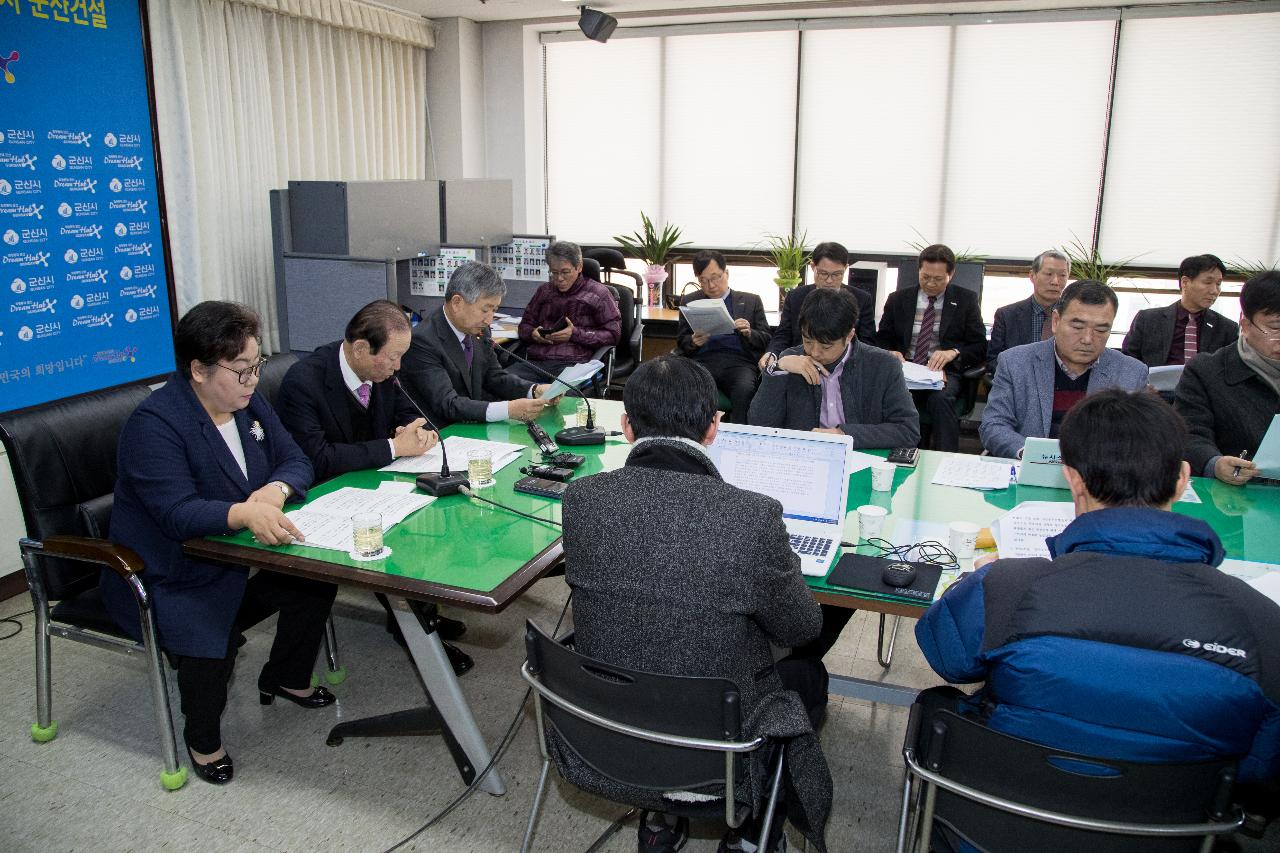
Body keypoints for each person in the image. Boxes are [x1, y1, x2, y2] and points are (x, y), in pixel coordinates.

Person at [916, 390, 1280, 851]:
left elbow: (943, 655)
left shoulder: (1008, 586)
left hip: (993, 828)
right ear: (1184, 478)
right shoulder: (1260, 621)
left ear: (1072, 479)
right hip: (1171, 835)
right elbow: (1258, 763)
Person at [561, 355, 831, 853]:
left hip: (609, 728)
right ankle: (750, 831)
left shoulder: (580, 499)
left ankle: (662, 818)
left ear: (625, 427)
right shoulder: (753, 516)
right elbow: (800, 628)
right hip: (718, 738)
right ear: (713, 428)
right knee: (807, 674)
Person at [102, 301, 337, 785]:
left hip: (236, 556)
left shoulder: (248, 403)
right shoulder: (156, 425)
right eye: (242, 370)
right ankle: (203, 738)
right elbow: (176, 512)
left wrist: (274, 491)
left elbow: (296, 460)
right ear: (198, 370)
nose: (254, 380)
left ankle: (286, 676)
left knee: (314, 583)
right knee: (214, 632)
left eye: (257, 367)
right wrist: (244, 512)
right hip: (168, 574)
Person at [275, 300, 472, 675]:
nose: (399, 367)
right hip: (323, 497)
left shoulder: (382, 374)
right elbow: (317, 459)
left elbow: (405, 411)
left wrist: (416, 428)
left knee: (425, 522)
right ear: (361, 348)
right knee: (397, 542)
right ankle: (415, 630)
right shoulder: (305, 381)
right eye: (394, 357)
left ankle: (419, 619)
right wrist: (394, 447)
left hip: (372, 484)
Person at [980, 279, 1148, 459]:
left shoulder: (1132, 372)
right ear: (1056, 321)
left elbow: (1139, 439)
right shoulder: (1015, 362)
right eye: (1077, 326)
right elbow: (994, 424)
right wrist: (1030, 456)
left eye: (1100, 329)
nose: (1087, 339)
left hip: (1097, 476)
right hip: (1027, 468)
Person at [749, 287, 920, 448]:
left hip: (859, 457)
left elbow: (908, 430)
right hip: (805, 459)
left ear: (849, 336)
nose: (815, 352)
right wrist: (779, 368)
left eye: (826, 346)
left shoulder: (883, 365)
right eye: (807, 341)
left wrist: (844, 435)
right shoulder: (791, 360)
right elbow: (759, 425)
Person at [399, 261, 557, 426]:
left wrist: (534, 390)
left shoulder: (479, 331)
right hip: (438, 434)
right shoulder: (423, 341)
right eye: (485, 310)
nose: (489, 319)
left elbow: (494, 377)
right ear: (457, 303)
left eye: (494, 310)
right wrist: (508, 409)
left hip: (470, 427)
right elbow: (447, 404)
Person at [874, 244, 987, 452]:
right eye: (925, 277)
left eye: (938, 279)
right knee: (891, 398)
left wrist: (954, 352)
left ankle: (946, 460)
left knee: (941, 400)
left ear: (950, 274)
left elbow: (979, 345)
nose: (931, 283)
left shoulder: (966, 300)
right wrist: (891, 352)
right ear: (919, 270)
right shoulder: (898, 299)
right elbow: (882, 339)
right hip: (905, 370)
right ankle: (895, 457)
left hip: (941, 373)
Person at [1174, 270, 1280, 486]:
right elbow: (1190, 435)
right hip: (1237, 500)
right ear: (1245, 324)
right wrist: (1215, 464)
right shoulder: (1206, 371)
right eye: (1275, 328)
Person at [675, 250, 771, 423]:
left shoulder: (751, 301)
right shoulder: (689, 301)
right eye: (704, 280)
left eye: (716, 277)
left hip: (739, 362)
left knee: (744, 389)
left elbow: (766, 339)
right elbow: (681, 341)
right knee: (692, 388)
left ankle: (740, 440)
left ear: (726, 273)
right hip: (703, 360)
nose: (711, 285)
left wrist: (750, 333)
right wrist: (693, 342)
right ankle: (698, 438)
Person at [513, 240, 621, 381]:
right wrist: (533, 333)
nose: (559, 278)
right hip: (537, 362)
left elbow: (613, 335)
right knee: (501, 383)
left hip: (574, 364)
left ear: (579, 267)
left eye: (565, 272)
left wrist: (574, 334)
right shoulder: (544, 291)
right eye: (554, 272)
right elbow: (524, 326)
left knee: (558, 396)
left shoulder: (599, 293)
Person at [761, 241, 875, 365]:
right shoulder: (796, 297)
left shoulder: (861, 299)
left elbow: (867, 343)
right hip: (800, 363)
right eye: (823, 273)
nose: (829, 280)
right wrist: (772, 354)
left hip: (843, 366)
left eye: (837, 274)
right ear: (813, 267)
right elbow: (783, 335)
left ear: (846, 268)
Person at [1123, 253, 1239, 367]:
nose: (1214, 290)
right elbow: (1127, 361)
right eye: (1208, 282)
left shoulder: (1227, 328)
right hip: (1154, 385)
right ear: (1185, 282)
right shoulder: (1147, 320)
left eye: (1218, 284)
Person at [987, 249, 1070, 369]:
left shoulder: (1074, 318)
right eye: (1048, 274)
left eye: (1062, 275)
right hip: (1018, 383)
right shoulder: (1007, 315)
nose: (1055, 282)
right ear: (1032, 276)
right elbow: (994, 359)